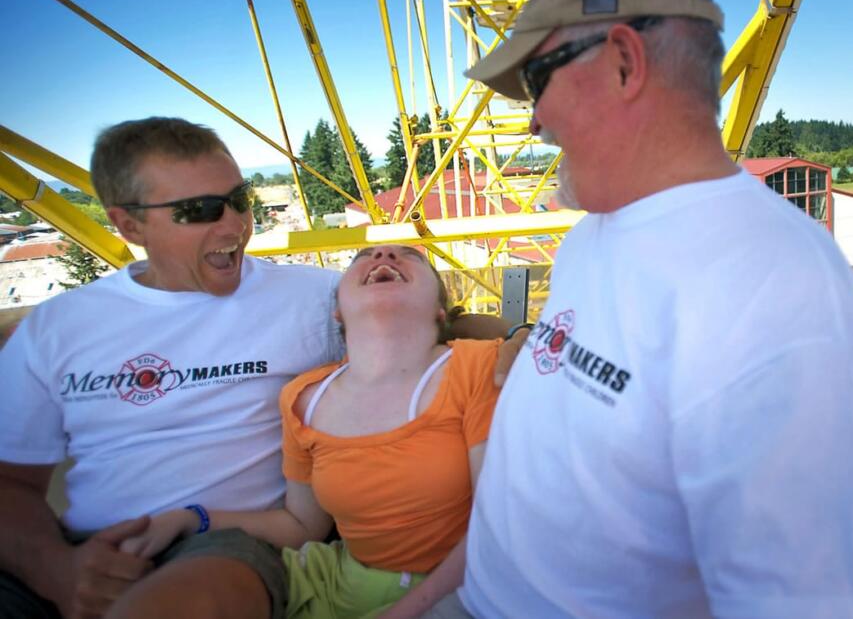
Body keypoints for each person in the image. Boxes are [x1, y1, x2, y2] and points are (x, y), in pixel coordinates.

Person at [452, 0, 853, 617]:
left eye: (536, 81)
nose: (534, 121)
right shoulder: (592, 237)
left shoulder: (777, 294)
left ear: (626, 61)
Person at [0, 118, 511, 619]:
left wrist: (520, 338)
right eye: (198, 210)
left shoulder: (311, 296)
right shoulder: (54, 327)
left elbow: (430, 320)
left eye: (240, 200)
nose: (234, 225)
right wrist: (58, 572)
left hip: (223, 549)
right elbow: (10, 483)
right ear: (129, 224)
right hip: (73, 548)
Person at [118, 244, 504, 619]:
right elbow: (301, 525)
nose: (383, 256)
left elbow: (497, 523)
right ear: (337, 311)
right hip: (332, 584)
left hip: (452, 588)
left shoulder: (478, 366)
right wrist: (190, 519)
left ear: (440, 309)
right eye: (363, 257)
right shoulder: (304, 400)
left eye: (412, 257)